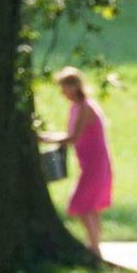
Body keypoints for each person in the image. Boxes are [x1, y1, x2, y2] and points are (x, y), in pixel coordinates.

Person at [41, 67, 112, 255]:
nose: (62, 92)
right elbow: (70, 135)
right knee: (90, 206)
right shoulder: (76, 107)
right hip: (88, 163)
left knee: (81, 204)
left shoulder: (85, 107)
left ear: (74, 86)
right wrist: (48, 137)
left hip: (95, 164)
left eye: (64, 87)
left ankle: (94, 247)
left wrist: (45, 138)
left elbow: (73, 137)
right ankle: (94, 244)